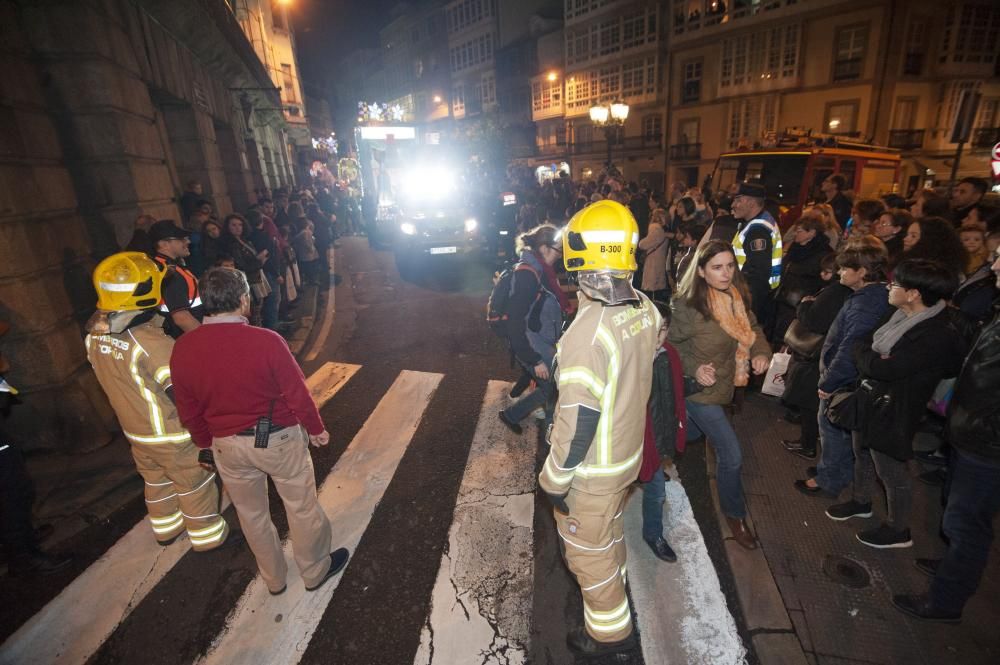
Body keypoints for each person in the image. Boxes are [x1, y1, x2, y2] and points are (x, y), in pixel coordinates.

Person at [170, 267, 349, 595]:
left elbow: (188, 409)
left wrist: (206, 442)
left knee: (251, 515)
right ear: (242, 300)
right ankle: (314, 570)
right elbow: (297, 393)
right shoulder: (266, 341)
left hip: (226, 445)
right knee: (301, 505)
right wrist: (316, 429)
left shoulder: (183, 348)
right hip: (277, 438)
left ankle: (274, 579)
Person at [538, 200, 661, 657]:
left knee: (587, 555)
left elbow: (577, 422)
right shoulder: (644, 307)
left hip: (594, 471)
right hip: (626, 457)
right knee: (609, 535)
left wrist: (553, 481)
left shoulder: (589, 333)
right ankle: (617, 594)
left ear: (579, 256)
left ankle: (610, 640)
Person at [84, 252, 233, 551]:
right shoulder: (153, 345)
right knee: (194, 484)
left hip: (136, 432)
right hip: (171, 434)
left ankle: (166, 529)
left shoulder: (94, 338)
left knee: (156, 482)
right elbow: (183, 396)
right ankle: (208, 538)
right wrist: (207, 432)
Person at [826, 260, 966, 549]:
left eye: (895, 284)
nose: (889, 287)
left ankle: (898, 529)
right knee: (860, 451)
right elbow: (862, 342)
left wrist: (870, 359)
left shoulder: (935, 333)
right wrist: (871, 359)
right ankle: (861, 501)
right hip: (871, 397)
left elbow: (885, 368)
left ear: (913, 293)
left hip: (896, 408)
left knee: (890, 469)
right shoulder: (898, 313)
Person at [892, 249, 1000, 622]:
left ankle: (945, 602)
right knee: (957, 516)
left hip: (986, 445)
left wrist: (983, 431)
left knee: (967, 523)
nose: (995, 266)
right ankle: (952, 565)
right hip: (971, 433)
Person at [669, 240, 772, 549]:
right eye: (717, 267)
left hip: (725, 388)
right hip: (701, 393)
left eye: (730, 266)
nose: (725, 273)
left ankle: (648, 456)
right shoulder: (689, 306)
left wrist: (761, 352)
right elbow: (670, 347)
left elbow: (753, 331)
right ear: (701, 271)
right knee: (732, 455)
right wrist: (695, 367)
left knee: (685, 437)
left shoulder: (735, 298)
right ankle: (736, 517)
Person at [795, 242, 890, 497]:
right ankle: (830, 471)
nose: (839, 273)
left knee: (832, 430)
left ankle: (829, 481)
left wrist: (828, 382)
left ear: (862, 271)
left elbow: (850, 347)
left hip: (843, 381)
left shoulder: (867, 303)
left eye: (845, 269)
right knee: (837, 432)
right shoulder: (868, 297)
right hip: (845, 378)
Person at [498, 225, 570, 434]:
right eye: (558, 250)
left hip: (541, 339)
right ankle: (552, 436)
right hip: (533, 344)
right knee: (553, 389)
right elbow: (514, 323)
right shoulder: (528, 275)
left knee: (550, 388)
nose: (560, 256)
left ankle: (512, 416)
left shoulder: (542, 270)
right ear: (544, 248)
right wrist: (533, 360)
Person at [781, 253, 849, 460]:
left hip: (818, 354)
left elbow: (814, 320)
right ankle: (810, 442)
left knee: (810, 402)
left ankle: (808, 444)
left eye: (828, 271)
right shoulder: (846, 293)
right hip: (829, 354)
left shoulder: (835, 292)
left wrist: (804, 304)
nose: (823, 275)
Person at [772, 213, 832, 343]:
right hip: (784, 297)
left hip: (800, 303)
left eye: (799, 231)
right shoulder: (796, 247)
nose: (795, 234)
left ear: (812, 233)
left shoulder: (823, 254)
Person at [730, 182, 782, 323]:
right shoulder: (760, 221)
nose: (733, 205)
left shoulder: (758, 230)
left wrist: (744, 302)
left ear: (751, 203)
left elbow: (758, 272)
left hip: (750, 295)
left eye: (738, 200)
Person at [149, 220, 202, 338]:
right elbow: (181, 318)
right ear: (164, 244)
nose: (188, 241)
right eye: (181, 239)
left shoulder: (166, 267)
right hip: (184, 339)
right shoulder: (169, 273)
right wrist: (206, 340)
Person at [220, 213, 267, 326]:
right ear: (227, 227)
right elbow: (242, 266)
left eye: (240, 225)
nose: (237, 228)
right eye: (234, 225)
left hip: (255, 280)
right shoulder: (232, 245)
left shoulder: (244, 240)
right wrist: (259, 261)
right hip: (246, 283)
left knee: (258, 313)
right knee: (252, 315)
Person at [246, 210, 282, 331]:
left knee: (265, 304)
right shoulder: (263, 236)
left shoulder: (249, 237)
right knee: (272, 302)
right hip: (267, 274)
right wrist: (277, 274)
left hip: (260, 273)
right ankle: (273, 329)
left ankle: (272, 327)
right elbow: (268, 259)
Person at [901, 216, 966, 278]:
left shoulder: (941, 274)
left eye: (913, 236)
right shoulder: (908, 262)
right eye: (907, 234)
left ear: (930, 240)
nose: (905, 239)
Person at [638, 208, 671, 302]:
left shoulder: (655, 228)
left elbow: (643, 244)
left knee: (651, 290)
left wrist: (641, 241)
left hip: (653, 263)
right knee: (657, 289)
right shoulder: (664, 230)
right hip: (659, 261)